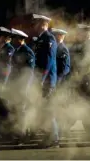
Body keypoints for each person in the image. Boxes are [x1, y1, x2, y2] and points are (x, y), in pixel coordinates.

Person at [32, 14, 59, 148]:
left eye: (37, 23)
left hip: (47, 80)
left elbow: (47, 62)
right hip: (43, 79)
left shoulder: (49, 38)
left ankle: (53, 139)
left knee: (47, 110)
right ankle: (49, 137)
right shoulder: (41, 39)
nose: (35, 26)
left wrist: (42, 79)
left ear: (44, 24)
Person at [10, 28, 35, 137]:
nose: (13, 40)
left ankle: (23, 133)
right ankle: (23, 131)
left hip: (23, 84)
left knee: (23, 109)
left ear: (20, 39)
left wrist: (25, 86)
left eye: (15, 38)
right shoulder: (17, 50)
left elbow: (29, 71)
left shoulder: (27, 51)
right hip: (17, 84)